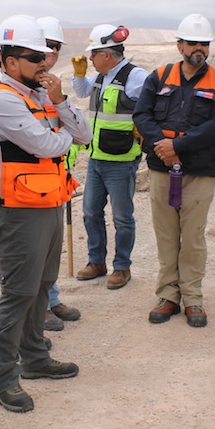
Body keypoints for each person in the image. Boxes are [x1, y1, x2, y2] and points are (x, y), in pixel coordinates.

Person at [0, 15, 91, 413]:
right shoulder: (1, 100)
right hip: (18, 210)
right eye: (32, 57)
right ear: (8, 62)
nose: (43, 64)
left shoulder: (40, 94)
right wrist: (60, 136)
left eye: (44, 56)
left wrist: (60, 101)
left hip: (48, 203)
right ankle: (3, 377)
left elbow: (84, 136)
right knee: (19, 293)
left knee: (42, 285)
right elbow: (48, 145)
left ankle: (35, 358)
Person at [133, 14, 215, 328]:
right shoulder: (159, 77)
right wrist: (161, 143)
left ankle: (193, 297)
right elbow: (142, 114)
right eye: (193, 43)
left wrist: (180, 146)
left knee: (192, 237)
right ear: (179, 45)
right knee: (166, 234)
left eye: (204, 43)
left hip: (199, 170)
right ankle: (168, 296)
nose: (199, 49)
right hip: (162, 167)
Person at [70, 24, 149, 289]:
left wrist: (144, 126)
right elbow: (81, 92)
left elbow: (155, 104)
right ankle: (97, 262)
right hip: (96, 158)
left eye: (93, 54)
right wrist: (79, 75)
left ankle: (122, 267)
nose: (90, 59)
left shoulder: (135, 77)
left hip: (122, 161)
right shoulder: (100, 77)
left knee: (122, 218)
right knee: (91, 213)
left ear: (107, 54)